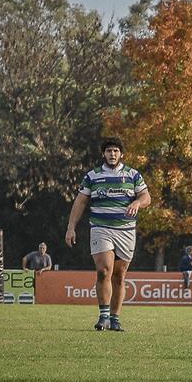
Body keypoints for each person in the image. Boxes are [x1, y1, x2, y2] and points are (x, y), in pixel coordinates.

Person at [65, 137, 151, 332]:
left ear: (121, 154)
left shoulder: (133, 175)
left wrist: (137, 202)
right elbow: (80, 201)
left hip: (126, 230)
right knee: (104, 270)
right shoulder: (92, 176)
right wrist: (71, 227)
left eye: (115, 151)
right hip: (100, 228)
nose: (112, 154)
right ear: (103, 154)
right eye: (109, 151)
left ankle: (115, 318)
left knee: (119, 276)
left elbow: (146, 197)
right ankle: (103, 316)